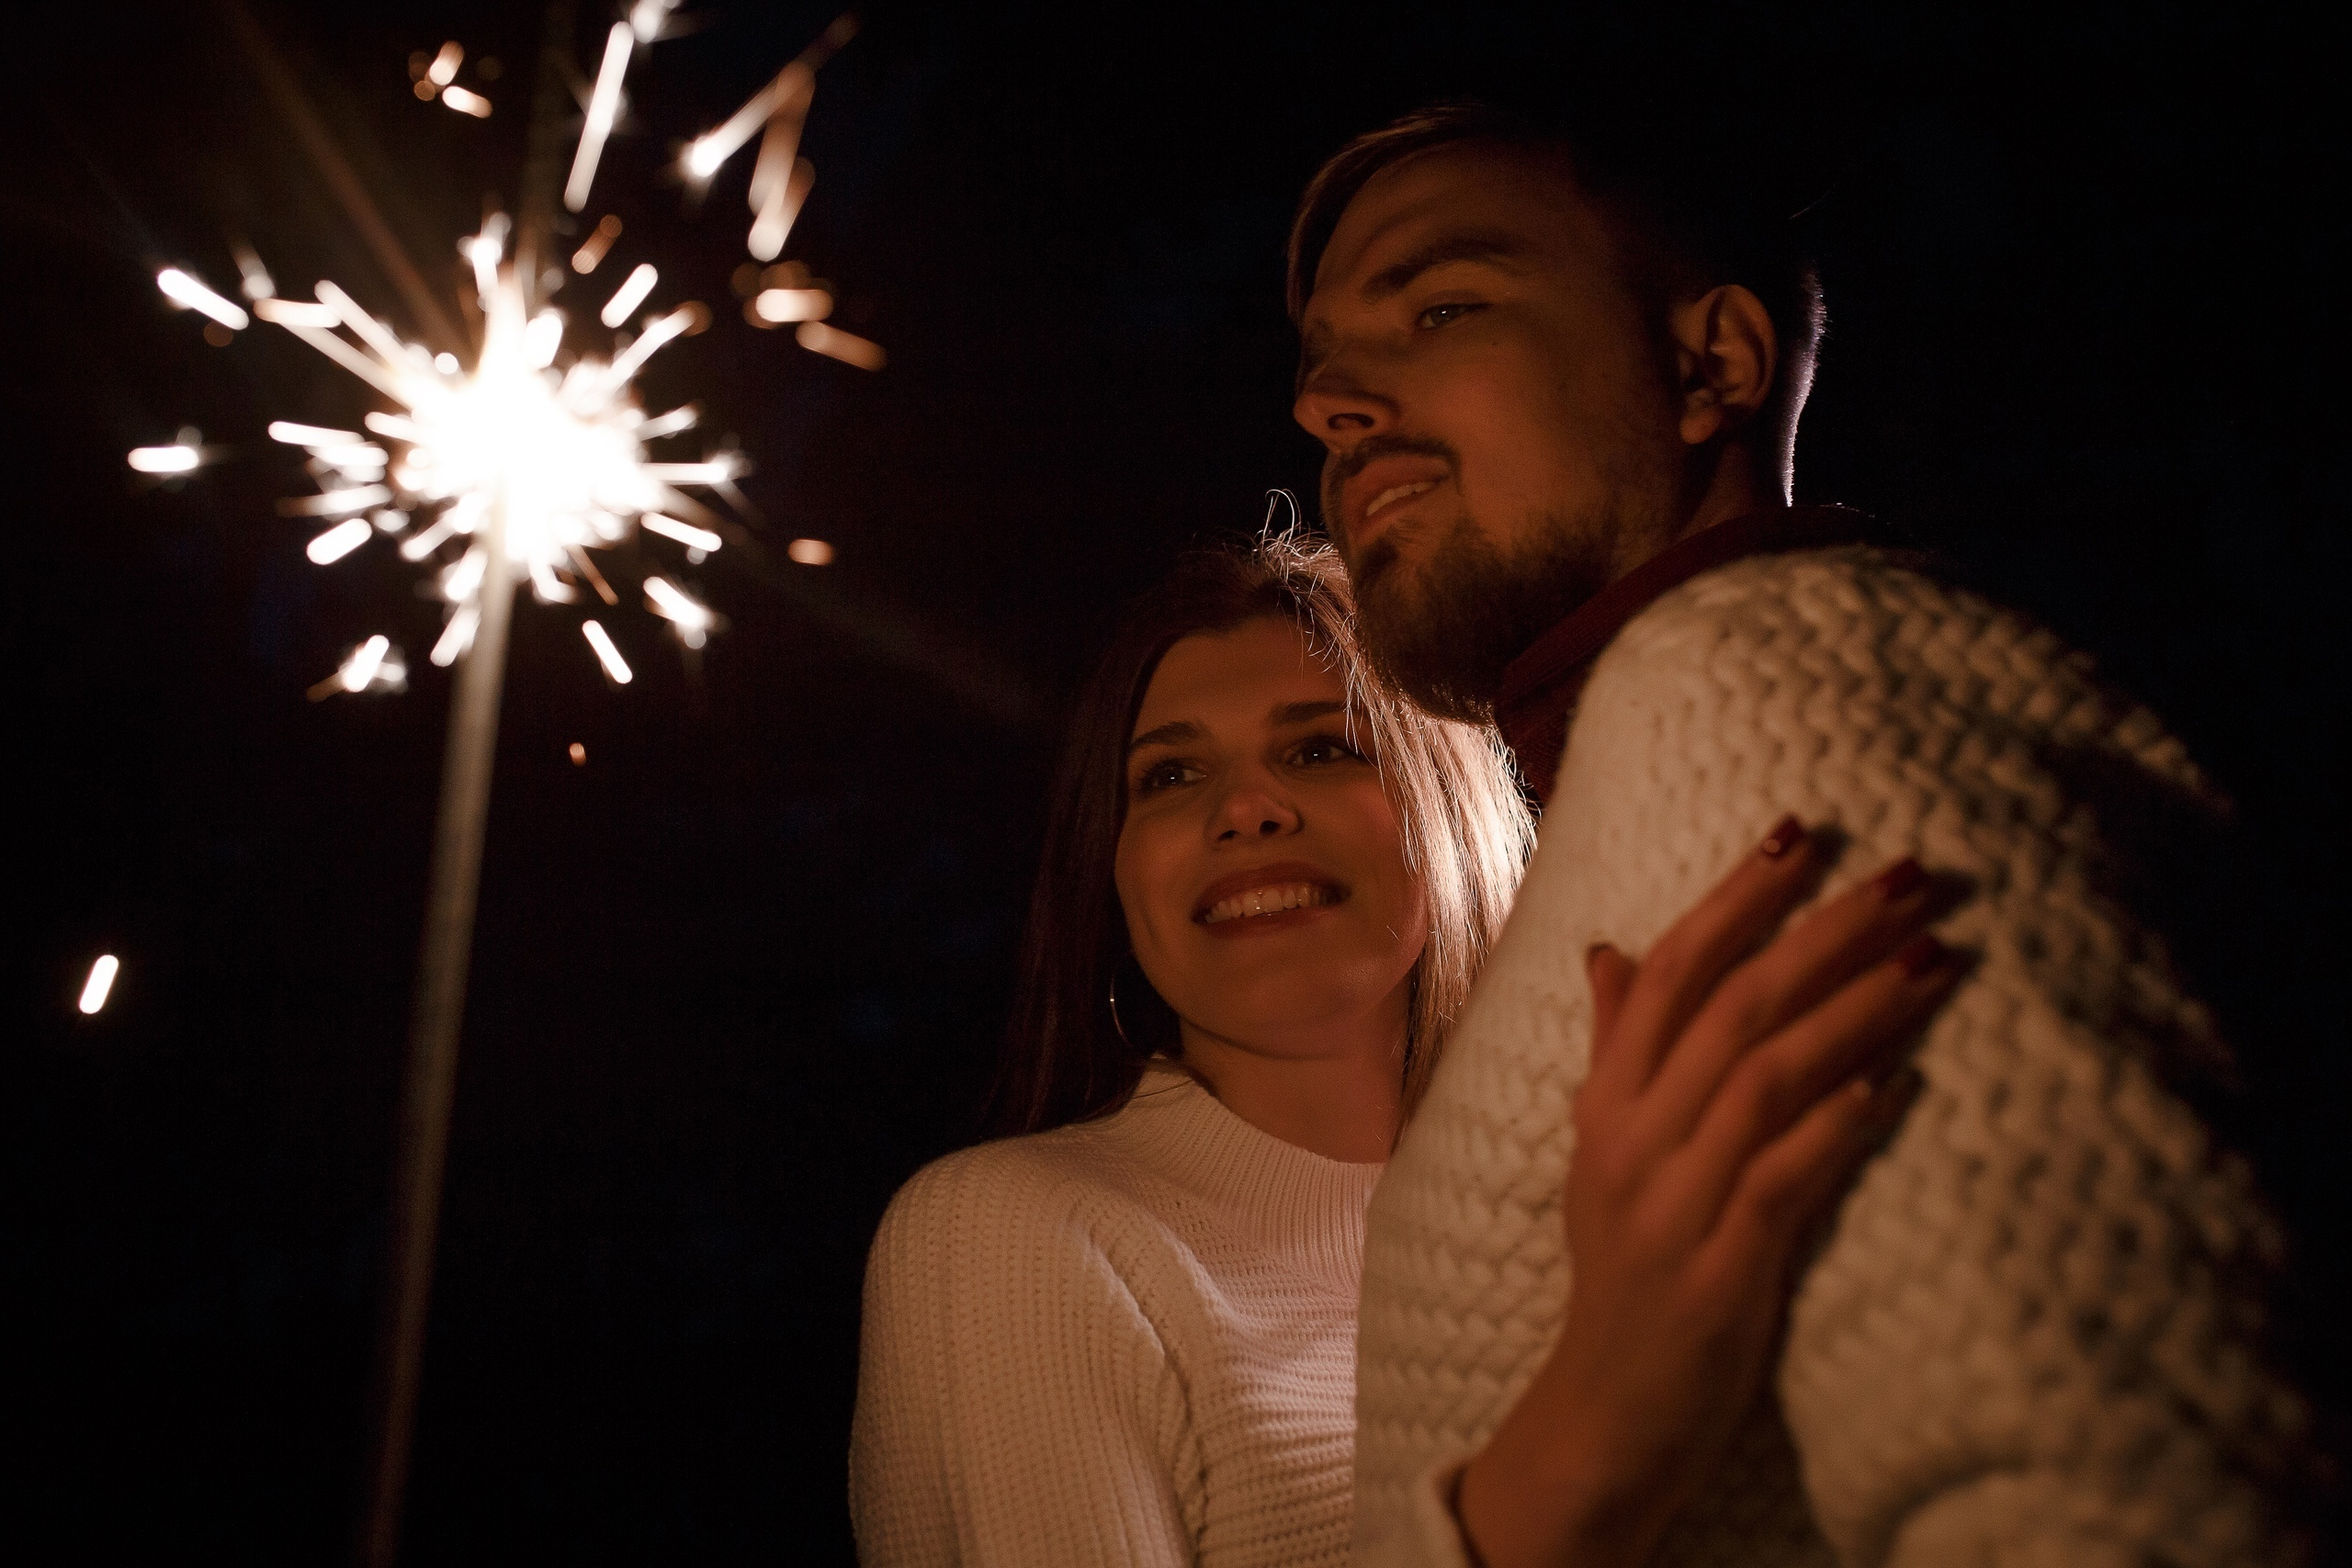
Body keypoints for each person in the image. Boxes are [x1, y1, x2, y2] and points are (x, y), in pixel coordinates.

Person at [1288, 101, 2317, 1566]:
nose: (1329, 405)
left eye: (1441, 306)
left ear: (1713, 362)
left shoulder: (1754, 683)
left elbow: (2118, 1482)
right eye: (1321, 365)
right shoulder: (1660, 760)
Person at [848, 533, 1960, 1565]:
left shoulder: (1616, 1194)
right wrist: (1588, 1440)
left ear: (1450, 814)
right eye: (1171, 776)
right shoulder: (1019, 1234)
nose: (1246, 810)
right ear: (1113, 872)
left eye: (1320, 749)